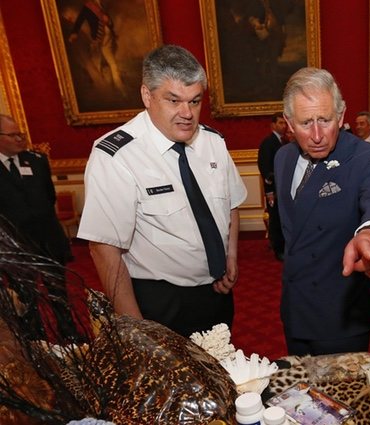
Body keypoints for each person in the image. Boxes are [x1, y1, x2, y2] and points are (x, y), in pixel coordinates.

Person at [77, 45, 247, 337]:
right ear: (147, 95)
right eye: (174, 100)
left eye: (195, 101)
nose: (187, 113)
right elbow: (104, 249)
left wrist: (230, 257)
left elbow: (230, 204)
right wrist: (136, 327)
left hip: (216, 292)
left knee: (220, 373)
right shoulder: (117, 155)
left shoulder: (212, 141)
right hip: (159, 301)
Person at [274, 67, 370, 355]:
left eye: (325, 120)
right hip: (295, 308)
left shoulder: (365, 157)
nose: (318, 135)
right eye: (306, 123)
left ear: (341, 117)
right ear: (289, 124)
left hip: (340, 315)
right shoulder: (283, 158)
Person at [0, 115, 71, 265]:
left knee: (57, 285)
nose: (19, 139)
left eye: (20, 134)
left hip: (48, 239)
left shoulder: (37, 160)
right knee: (22, 287)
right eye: (13, 135)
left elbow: (50, 196)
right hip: (14, 244)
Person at [258, 112, 288, 260]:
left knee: (284, 218)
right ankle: (278, 250)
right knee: (275, 219)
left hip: (285, 189)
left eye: (284, 123)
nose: (283, 125)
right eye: (280, 123)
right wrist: (269, 190)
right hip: (274, 190)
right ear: (273, 125)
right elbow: (264, 168)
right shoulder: (268, 143)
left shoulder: (286, 142)